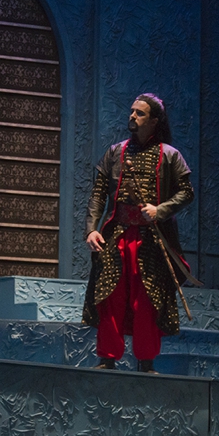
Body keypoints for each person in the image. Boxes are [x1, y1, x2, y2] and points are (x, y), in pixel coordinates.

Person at [82, 93, 194, 373]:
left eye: (139, 113)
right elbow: (98, 194)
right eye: (132, 111)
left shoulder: (170, 155)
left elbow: (186, 192)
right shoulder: (114, 152)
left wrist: (161, 210)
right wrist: (91, 230)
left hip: (151, 240)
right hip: (116, 236)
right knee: (110, 296)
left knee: (147, 300)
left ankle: (146, 361)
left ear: (154, 120)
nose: (132, 116)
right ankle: (107, 358)